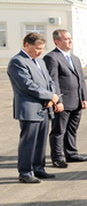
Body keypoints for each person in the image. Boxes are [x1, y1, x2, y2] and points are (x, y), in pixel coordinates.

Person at [7, 33, 60, 183]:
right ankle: (25, 172)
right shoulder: (17, 62)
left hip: (44, 108)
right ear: (26, 45)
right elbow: (27, 85)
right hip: (30, 109)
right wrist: (49, 96)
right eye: (37, 48)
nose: (40, 52)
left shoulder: (40, 61)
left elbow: (49, 81)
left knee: (41, 142)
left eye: (42, 48)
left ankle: (38, 168)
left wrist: (51, 96)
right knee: (29, 142)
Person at [43, 29, 87, 167]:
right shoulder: (52, 57)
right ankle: (57, 158)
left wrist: (84, 97)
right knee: (58, 131)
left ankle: (72, 154)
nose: (70, 41)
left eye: (70, 38)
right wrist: (58, 101)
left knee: (72, 130)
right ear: (57, 41)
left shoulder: (74, 58)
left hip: (77, 101)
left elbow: (81, 79)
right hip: (63, 103)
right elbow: (53, 81)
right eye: (66, 39)